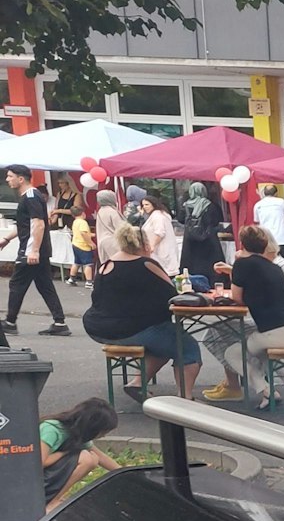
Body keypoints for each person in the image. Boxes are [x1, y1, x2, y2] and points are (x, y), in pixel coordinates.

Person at [81, 222, 202, 401]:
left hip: (98, 328)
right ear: (144, 245)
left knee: (163, 344)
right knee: (187, 347)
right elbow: (172, 294)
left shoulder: (105, 265)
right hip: (133, 329)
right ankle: (185, 398)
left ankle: (137, 384)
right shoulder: (146, 264)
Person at [205, 225, 284, 409]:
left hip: (278, 330)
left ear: (242, 244)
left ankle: (267, 391)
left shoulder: (242, 264)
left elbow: (237, 297)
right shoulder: (274, 267)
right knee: (261, 350)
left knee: (233, 353)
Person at [3, 164, 70, 338]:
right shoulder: (29, 197)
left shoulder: (31, 197)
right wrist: (6, 239)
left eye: (10, 176)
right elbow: (25, 225)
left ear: (21, 179)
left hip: (31, 250)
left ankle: (10, 322)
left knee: (17, 284)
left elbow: (38, 224)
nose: (7, 180)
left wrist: (34, 251)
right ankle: (60, 322)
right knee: (45, 285)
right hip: (38, 250)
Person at [40, 397, 120, 510]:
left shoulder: (76, 433)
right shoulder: (51, 430)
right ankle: (52, 502)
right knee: (86, 459)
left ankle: (55, 497)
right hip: (34, 479)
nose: (104, 436)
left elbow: (101, 456)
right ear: (92, 427)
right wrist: (64, 453)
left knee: (93, 458)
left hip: (47, 476)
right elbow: (40, 462)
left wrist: (123, 471)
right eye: (103, 432)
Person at [180, 182, 226, 284]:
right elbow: (216, 220)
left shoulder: (185, 205)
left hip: (190, 239)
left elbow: (180, 219)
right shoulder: (210, 205)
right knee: (211, 263)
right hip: (208, 238)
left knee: (191, 263)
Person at [252, 184, 284, 268]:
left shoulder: (257, 205)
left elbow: (257, 222)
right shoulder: (281, 202)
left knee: (268, 263)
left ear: (264, 193)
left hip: (267, 239)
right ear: (276, 193)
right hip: (283, 238)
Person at [141, 193, 180, 278]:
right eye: (143, 205)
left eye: (147, 204)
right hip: (160, 250)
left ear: (153, 204)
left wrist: (152, 246)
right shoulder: (157, 215)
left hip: (161, 250)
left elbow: (160, 233)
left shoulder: (158, 216)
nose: (144, 207)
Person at [68, 202, 95, 290]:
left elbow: (82, 233)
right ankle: (89, 281)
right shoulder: (83, 223)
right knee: (88, 264)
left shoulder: (75, 222)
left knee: (77, 262)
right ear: (83, 213)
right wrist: (90, 243)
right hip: (83, 246)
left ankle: (72, 278)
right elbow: (83, 233)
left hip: (75, 244)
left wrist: (92, 234)